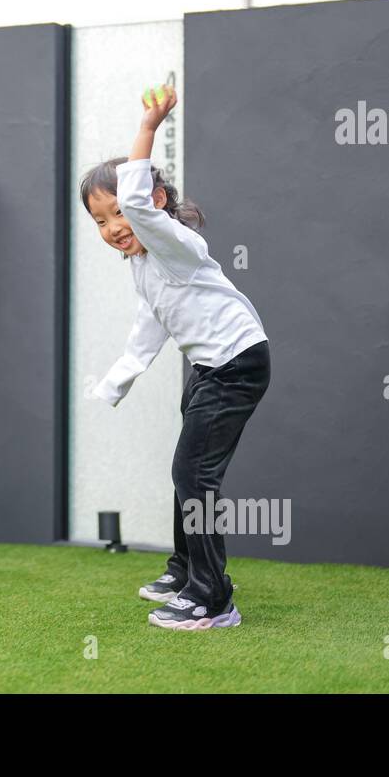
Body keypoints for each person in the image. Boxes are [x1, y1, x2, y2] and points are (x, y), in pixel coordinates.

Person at [82, 84, 271, 631]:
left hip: (237, 365)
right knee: (189, 473)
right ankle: (186, 570)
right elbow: (150, 325)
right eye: (100, 220)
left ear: (155, 203)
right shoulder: (144, 265)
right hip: (211, 368)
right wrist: (117, 381)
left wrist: (148, 127)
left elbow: (138, 204)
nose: (114, 226)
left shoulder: (175, 244)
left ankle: (214, 600)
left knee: (194, 476)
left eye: (120, 211)